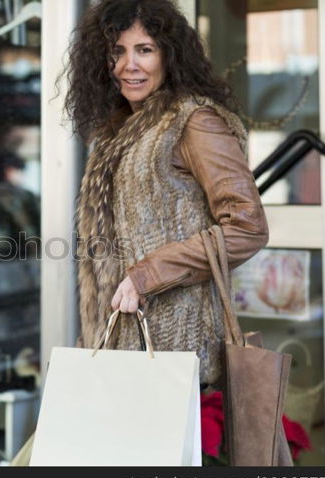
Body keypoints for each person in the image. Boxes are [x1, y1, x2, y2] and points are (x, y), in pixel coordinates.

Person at [68, 0, 268, 385]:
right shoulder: (117, 134)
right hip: (118, 350)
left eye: (145, 50)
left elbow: (248, 227)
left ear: (169, 56)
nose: (130, 65)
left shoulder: (194, 122)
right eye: (117, 52)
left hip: (174, 350)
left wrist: (148, 276)